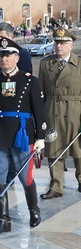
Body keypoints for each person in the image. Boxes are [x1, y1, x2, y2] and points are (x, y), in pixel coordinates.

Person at [0, 37, 46, 234]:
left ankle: (33, 211)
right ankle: (3, 219)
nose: (4, 59)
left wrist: (40, 137)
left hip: (22, 135)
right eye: (1, 55)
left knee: (25, 178)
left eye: (8, 55)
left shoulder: (29, 81)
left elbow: (39, 112)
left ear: (17, 57)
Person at [0, 22, 33, 188]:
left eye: (2, 37)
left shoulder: (21, 54)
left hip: (12, 106)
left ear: (10, 37)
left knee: (10, 145)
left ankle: (9, 176)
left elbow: (26, 81)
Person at [38, 28, 81, 199]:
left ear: (71, 45)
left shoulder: (79, 64)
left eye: (63, 43)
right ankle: (56, 185)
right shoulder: (45, 63)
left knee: (79, 149)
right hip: (52, 109)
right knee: (54, 148)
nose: (59, 46)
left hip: (75, 110)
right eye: (57, 42)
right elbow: (40, 90)